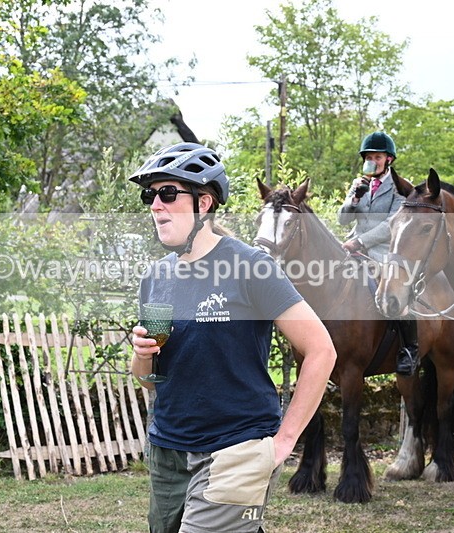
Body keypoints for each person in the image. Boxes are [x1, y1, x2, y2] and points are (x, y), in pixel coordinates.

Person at [128, 142, 336, 533]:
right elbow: (146, 378)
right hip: (167, 451)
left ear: (204, 203)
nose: (156, 205)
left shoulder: (251, 266)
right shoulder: (155, 277)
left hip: (235, 448)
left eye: (168, 193)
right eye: (150, 195)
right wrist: (141, 355)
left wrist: (285, 439)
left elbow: (321, 349)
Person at [338, 131, 419, 376]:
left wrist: (360, 242)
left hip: (385, 253)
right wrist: (353, 199)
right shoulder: (359, 185)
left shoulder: (400, 189)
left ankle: (409, 349)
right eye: (369, 156)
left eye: (378, 156)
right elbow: (342, 220)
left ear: (389, 160)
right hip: (352, 250)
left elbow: (391, 225)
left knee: (395, 297)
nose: (373, 160)